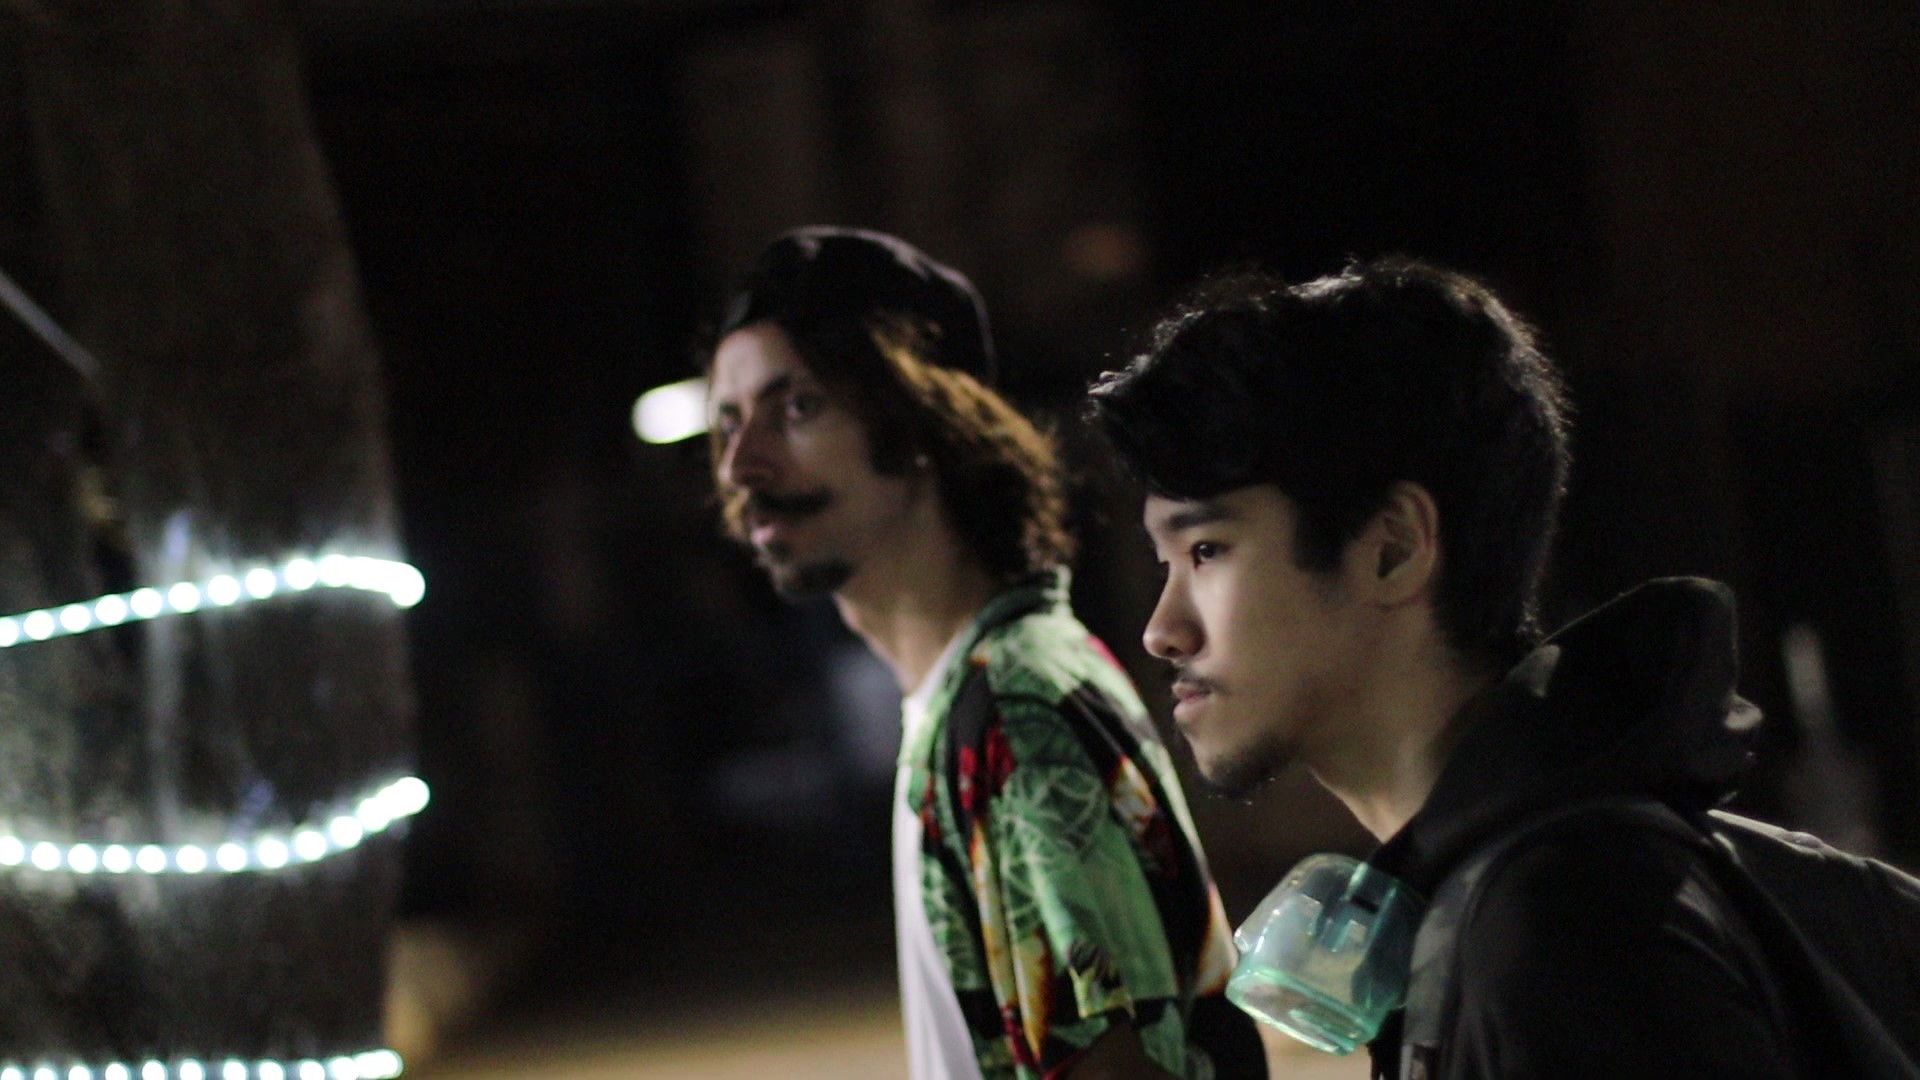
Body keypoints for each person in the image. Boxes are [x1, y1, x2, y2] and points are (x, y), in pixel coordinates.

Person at [1087, 257, 1812, 1077]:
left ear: (1393, 549)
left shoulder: (1565, 937)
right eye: (1166, 564)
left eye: (1207, 551)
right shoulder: (1522, 894)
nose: (1163, 631)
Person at [705, 226, 1260, 1079]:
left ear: (924, 418)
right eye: (728, 422)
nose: (743, 464)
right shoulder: (975, 695)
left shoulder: (1014, 716)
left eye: (799, 408)